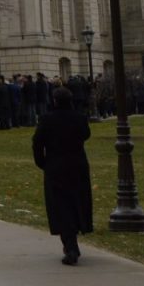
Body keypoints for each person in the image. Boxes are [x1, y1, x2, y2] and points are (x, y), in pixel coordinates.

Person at [31, 87, 94, 265]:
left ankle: (70, 245)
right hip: (78, 165)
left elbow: (37, 143)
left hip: (55, 166)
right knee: (77, 202)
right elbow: (86, 135)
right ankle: (73, 240)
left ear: (55, 101)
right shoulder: (79, 118)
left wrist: (42, 162)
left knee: (60, 206)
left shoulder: (47, 119)